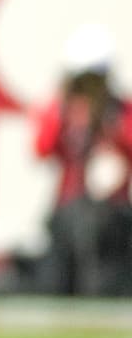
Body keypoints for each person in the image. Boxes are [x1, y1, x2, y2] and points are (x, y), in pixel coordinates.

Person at [31, 24, 132, 297]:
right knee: (56, 287)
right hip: (68, 210)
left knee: (106, 287)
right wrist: (64, 115)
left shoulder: (120, 111)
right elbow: (41, 148)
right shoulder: (63, 111)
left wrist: (110, 126)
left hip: (113, 216)